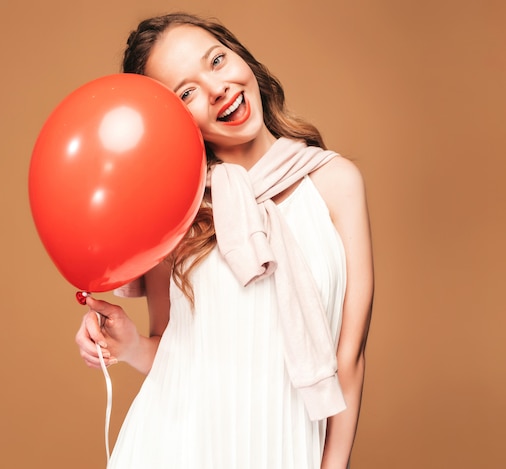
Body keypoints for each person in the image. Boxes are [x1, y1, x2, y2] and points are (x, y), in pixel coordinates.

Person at [75, 12, 373, 469]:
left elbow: (347, 359)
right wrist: (129, 345)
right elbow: (177, 354)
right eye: (187, 92)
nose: (217, 89)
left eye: (216, 60)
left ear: (241, 57)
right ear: (170, 119)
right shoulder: (174, 215)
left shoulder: (334, 183)